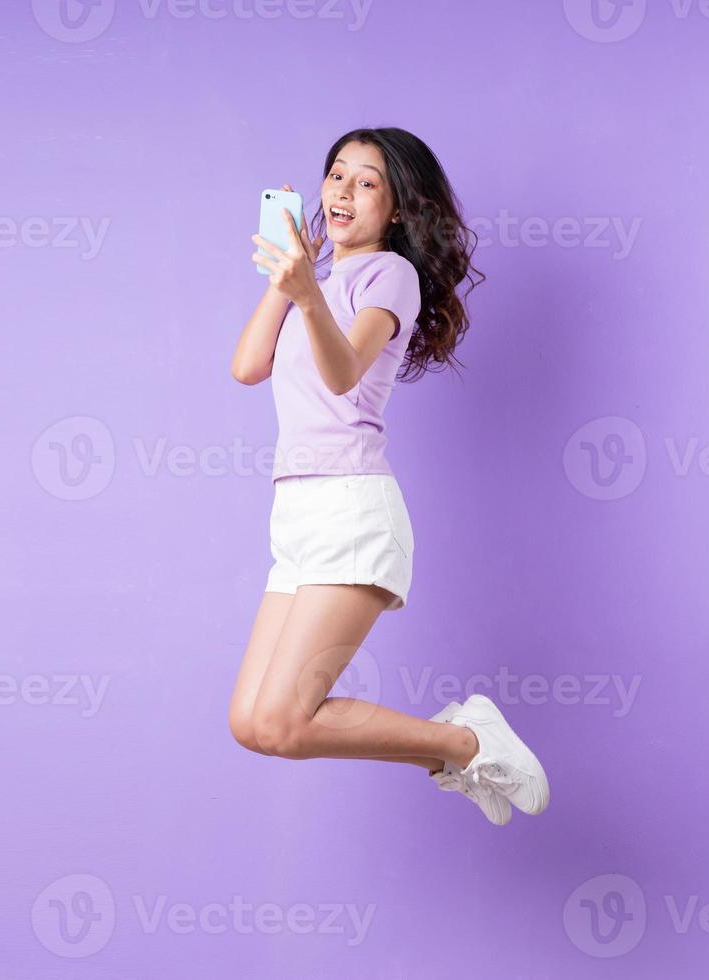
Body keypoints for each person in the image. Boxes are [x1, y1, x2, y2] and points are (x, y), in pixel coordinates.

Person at [228, 127, 549, 825]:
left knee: (283, 721)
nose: (342, 191)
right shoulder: (313, 278)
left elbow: (343, 377)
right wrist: (290, 280)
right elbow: (247, 365)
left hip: (351, 508)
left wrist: (309, 294)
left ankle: (465, 742)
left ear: (398, 207)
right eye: (335, 174)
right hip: (296, 517)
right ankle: (454, 751)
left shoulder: (387, 276)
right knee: (252, 724)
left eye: (366, 182)